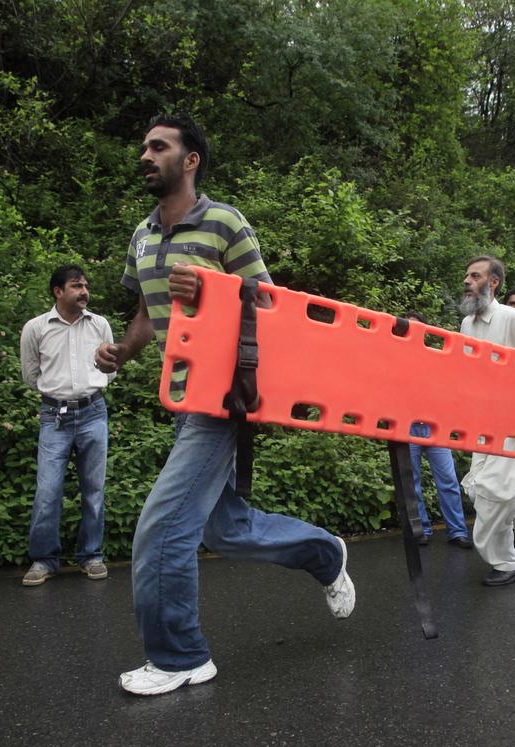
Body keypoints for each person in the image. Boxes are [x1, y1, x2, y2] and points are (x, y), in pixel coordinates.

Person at [95, 115, 353, 696]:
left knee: (162, 527)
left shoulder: (224, 222)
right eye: (143, 146)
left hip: (225, 394)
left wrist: (211, 288)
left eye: (158, 146)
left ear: (190, 160)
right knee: (224, 529)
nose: (145, 154)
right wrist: (122, 352)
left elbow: (268, 305)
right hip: (184, 395)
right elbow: (144, 313)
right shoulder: (141, 236)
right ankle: (324, 552)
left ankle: (182, 655)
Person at [20, 265, 114, 586]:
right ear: (58, 292)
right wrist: (57, 395)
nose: (84, 291)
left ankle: (91, 555)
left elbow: (110, 370)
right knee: (47, 491)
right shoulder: (36, 328)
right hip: (54, 416)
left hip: (93, 412)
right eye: (76, 286)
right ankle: (44, 560)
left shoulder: (100, 324)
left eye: (85, 285)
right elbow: (31, 375)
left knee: (94, 491)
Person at [458, 255, 515, 585]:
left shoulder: (514, 319)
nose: (467, 281)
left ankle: (507, 563)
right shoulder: (467, 325)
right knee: (478, 489)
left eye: (475, 276)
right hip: (484, 424)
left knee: (494, 493)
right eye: (466, 275)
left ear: (493, 283)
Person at [403, 311, 471, 548]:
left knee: (449, 480)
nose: (414, 331)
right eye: (409, 327)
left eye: (419, 327)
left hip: (434, 426)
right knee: (411, 481)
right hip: (407, 425)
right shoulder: (395, 356)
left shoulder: (436, 357)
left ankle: (458, 531)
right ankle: (421, 529)